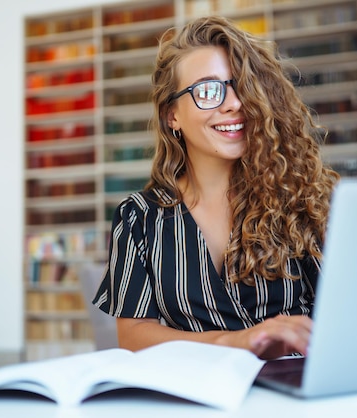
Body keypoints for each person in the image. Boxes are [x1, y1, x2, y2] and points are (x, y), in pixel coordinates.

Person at [92, 16, 339, 360]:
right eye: (208, 91)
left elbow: (344, 317)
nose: (234, 103)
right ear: (171, 115)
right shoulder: (138, 218)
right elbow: (133, 336)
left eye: (241, 86)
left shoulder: (300, 197)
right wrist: (234, 342)